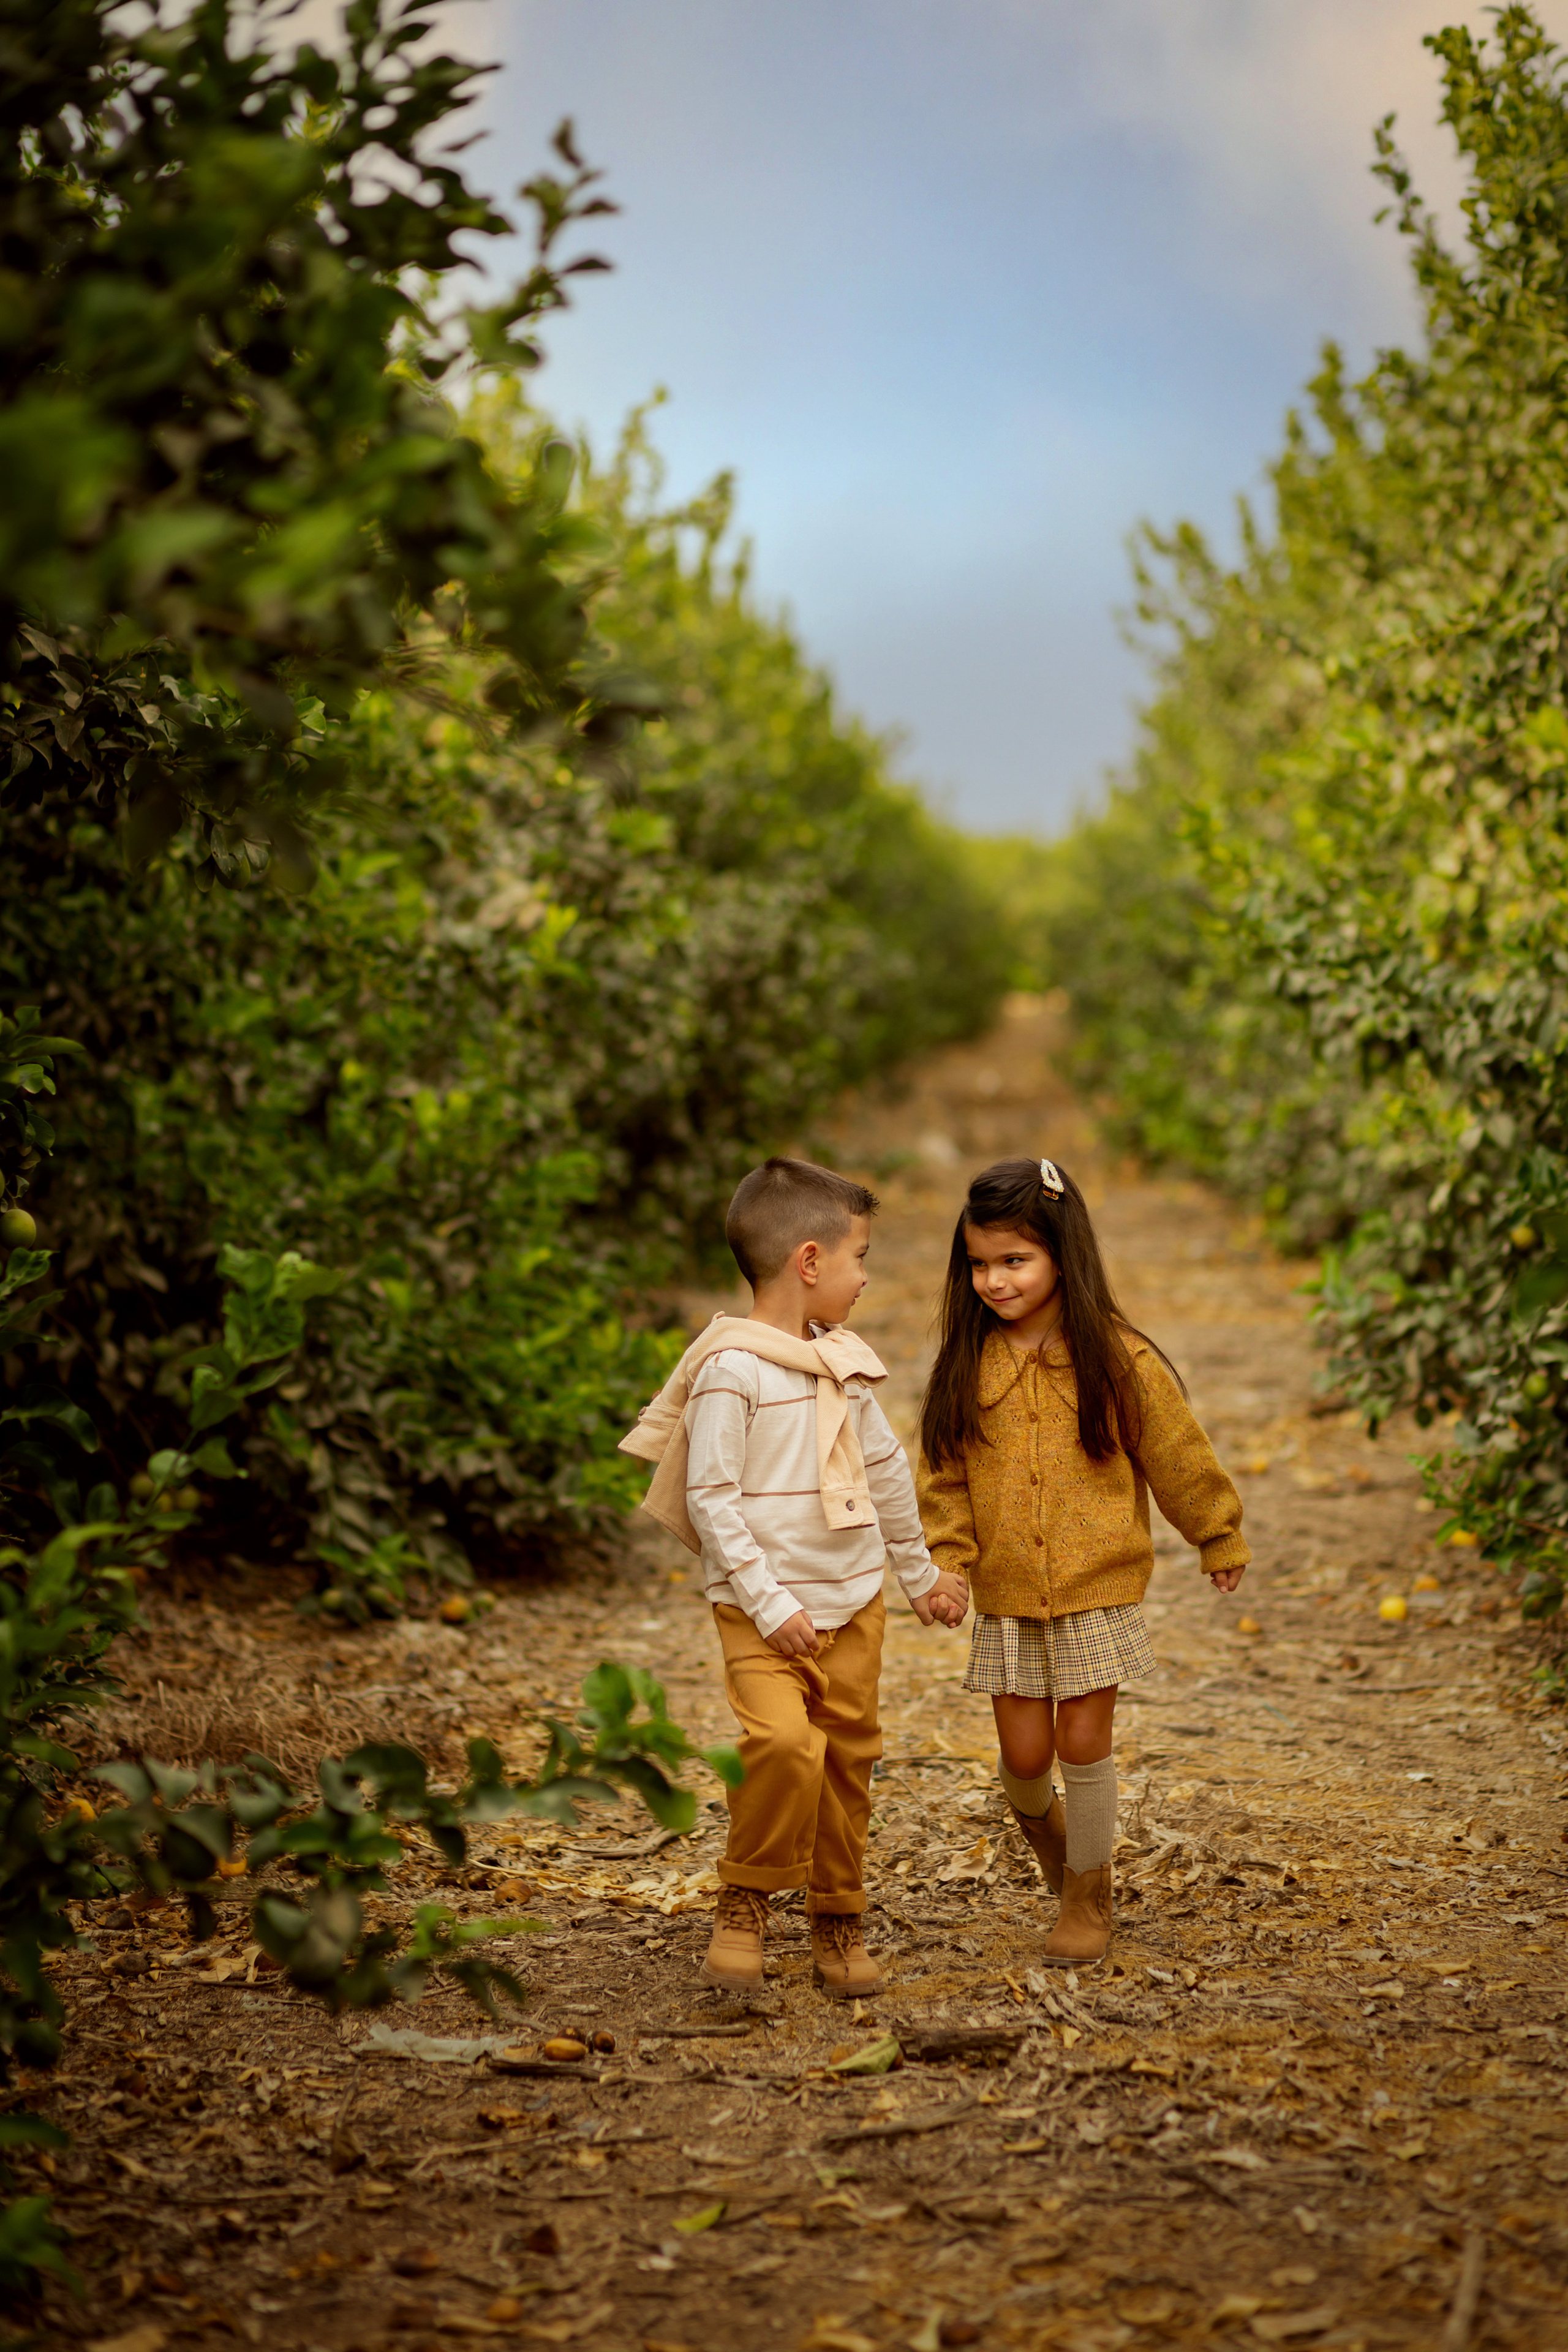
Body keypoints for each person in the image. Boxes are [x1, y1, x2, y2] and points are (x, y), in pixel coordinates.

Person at [620, 1156, 969, 1999]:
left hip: (853, 1601)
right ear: (809, 1262)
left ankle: (837, 1915)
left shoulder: (842, 1362)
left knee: (848, 1761)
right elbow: (711, 1500)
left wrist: (918, 1575)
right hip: (761, 1612)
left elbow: (885, 1472)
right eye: (860, 1258)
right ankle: (745, 1898)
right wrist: (770, 1604)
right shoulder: (731, 1371)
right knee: (781, 1746)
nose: (865, 1277)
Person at [916, 1155, 1248, 1966]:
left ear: (1063, 1254)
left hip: (1098, 1586)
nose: (995, 1281)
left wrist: (1215, 1531)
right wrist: (948, 1561)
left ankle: (1089, 1892)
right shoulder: (967, 1364)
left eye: (1015, 1260)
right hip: (1007, 1594)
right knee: (1026, 1760)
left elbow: (1175, 1453)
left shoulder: (1118, 1359)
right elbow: (944, 1477)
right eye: (980, 1265)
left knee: (1083, 1741)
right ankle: (1064, 1853)